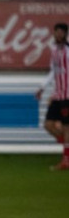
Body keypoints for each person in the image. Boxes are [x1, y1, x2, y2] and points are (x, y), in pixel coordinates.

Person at [35, 22, 69, 171]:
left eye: (62, 32)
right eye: (57, 31)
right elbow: (53, 72)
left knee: (67, 127)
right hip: (57, 94)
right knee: (48, 125)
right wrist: (42, 88)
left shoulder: (68, 50)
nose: (59, 34)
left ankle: (66, 160)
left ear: (66, 34)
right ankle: (67, 150)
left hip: (68, 94)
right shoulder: (54, 49)